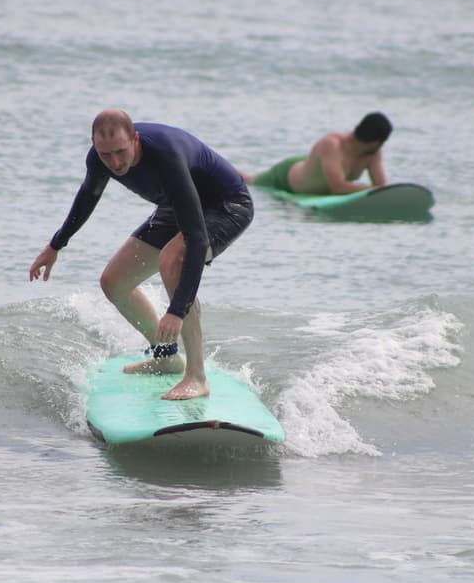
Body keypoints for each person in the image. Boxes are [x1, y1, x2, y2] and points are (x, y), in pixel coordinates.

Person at [29, 109, 253, 401]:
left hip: (225, 205)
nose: (116, 163)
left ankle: (197, 376)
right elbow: (88, 196)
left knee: (173, 260)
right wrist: (55, 245)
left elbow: (196, 238)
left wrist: (176, 311)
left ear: (135, 139)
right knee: (114, 281)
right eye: (106, 155)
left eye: (121, 152)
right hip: (177, 206)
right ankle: (166, 356)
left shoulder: (165, 156)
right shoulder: (100, 159)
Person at [242, 111, 392, 195]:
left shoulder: (373, 153)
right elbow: (338, 187)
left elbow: (381, 187)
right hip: (284, 178)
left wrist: (377, 191)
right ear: (375, 141)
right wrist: (374, 190)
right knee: (250, 181)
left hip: (317, 164)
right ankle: (219, 168)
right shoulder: (332, 144)